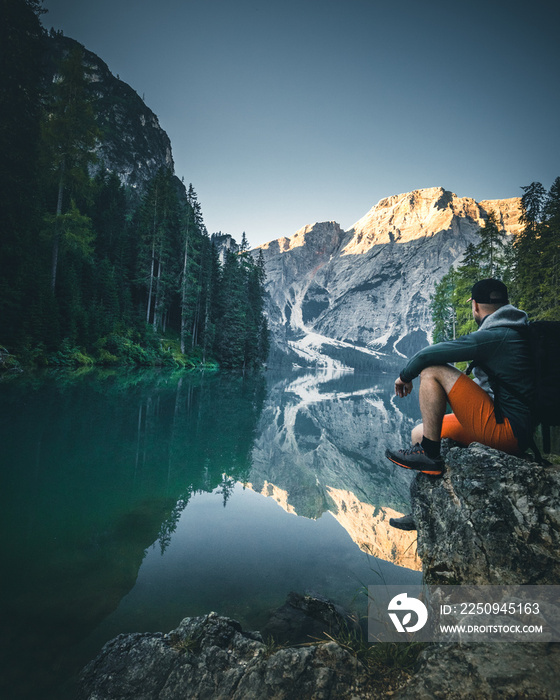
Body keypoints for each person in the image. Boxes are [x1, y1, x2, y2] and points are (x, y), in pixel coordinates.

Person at [386, 278, 533, 531]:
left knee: (432, 369)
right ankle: (426, 509)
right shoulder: (514, 330)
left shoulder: (498, 335)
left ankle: (430, 454)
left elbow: (427, 355)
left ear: (475, 306)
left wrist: (405, 376)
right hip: (505, 422)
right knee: (418, 433)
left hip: (506, 430)